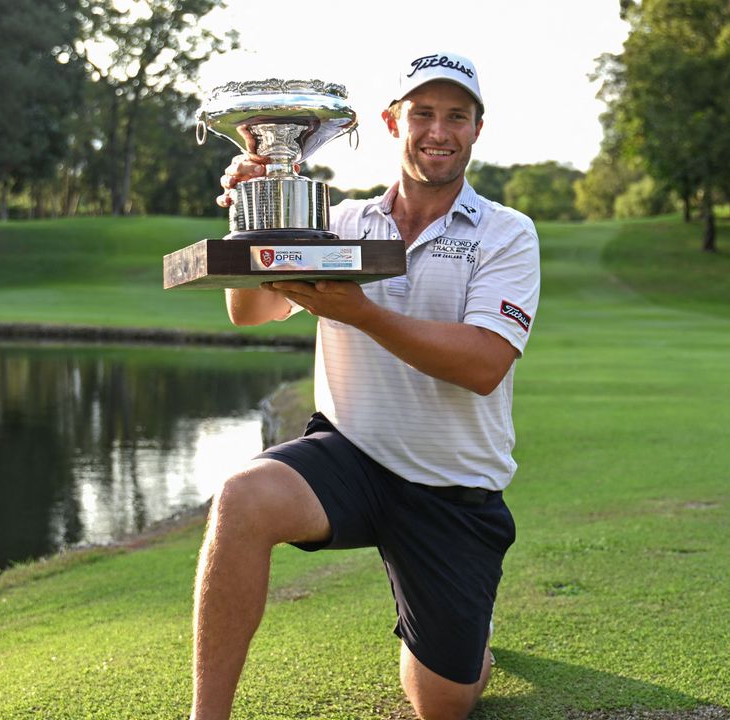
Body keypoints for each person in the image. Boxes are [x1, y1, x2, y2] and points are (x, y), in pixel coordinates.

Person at [190, 51, 540, 720]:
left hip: (452, 485)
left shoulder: (507, 233)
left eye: (456, 117)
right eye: (424, 114)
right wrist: (253, 219)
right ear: (391, 123)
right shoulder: (342, 224)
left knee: (443, 704)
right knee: (241, 499)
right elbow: (252, 311)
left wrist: (363, 313)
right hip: (350, 454)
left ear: (477, 130)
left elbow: (483, 363)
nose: (439, 131)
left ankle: (474, 644)